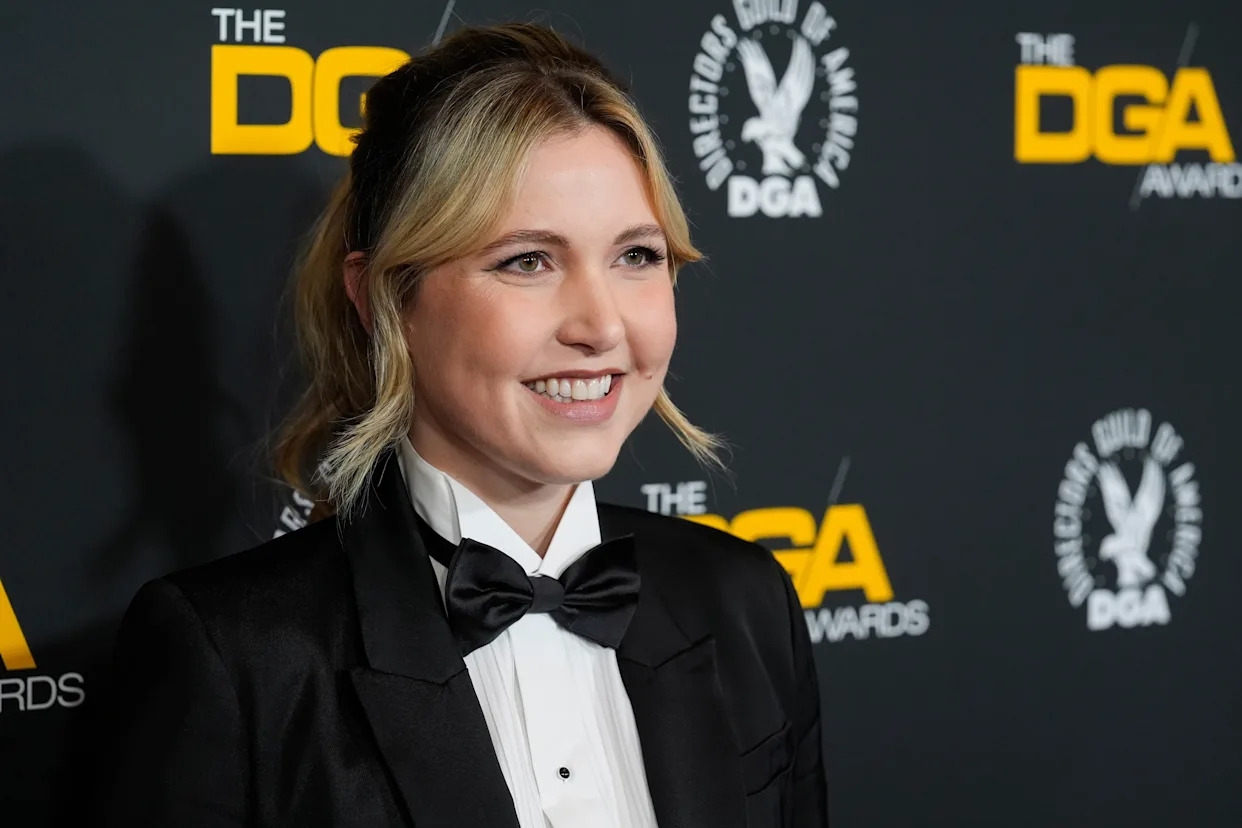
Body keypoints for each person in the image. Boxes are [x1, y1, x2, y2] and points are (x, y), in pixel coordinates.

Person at [98, 22, 828, 828]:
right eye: (527, 261)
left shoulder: (745, 601)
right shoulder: (235, 659)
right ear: (385, 299)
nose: (601, 325)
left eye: (636, 256)